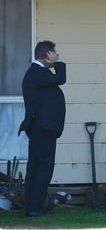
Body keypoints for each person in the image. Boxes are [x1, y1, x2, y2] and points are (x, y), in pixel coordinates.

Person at [19, 40, 66, 217]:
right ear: (46, 55)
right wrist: (58, 63)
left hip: (41, 127)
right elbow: (61, 78)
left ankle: (32, 205)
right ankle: (34, 207)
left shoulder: (38, 73)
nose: (57, 56)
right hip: (42, 128)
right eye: (54, 53)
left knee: (36, 166)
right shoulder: (37, 72)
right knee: (43, 167)